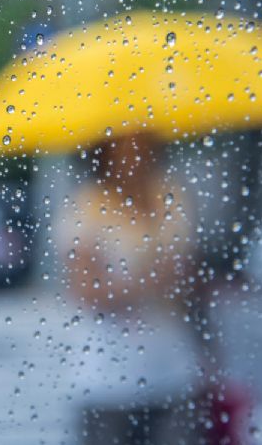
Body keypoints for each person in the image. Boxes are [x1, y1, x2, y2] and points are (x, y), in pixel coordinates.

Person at [55, 134, 205, 445]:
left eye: (142, 146)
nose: (133, 157)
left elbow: (186, 274)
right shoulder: (88, 204)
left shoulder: (171, 195)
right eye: (122, 148)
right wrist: (151, 282)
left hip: (173, 365)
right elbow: (85, 290)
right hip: (105, 372)